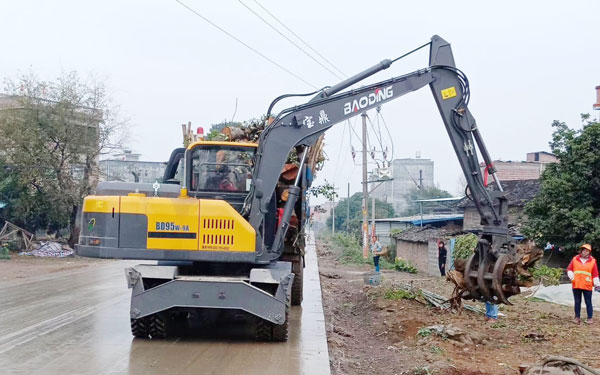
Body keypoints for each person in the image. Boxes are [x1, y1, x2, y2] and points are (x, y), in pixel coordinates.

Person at [567, 244, 600, 324]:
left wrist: (597, 284)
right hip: (576, 284)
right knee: (577, 301)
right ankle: (577, 317)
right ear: (581, 251)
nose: (585, 252)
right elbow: (569, 269)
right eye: (584, 250)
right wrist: (572, 278)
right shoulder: (575, 259)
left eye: (587, 250)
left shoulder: (592, 261)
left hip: (587, 284)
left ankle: (590, 318)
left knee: (588, 301)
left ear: (589, 252)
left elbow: (595, 273)